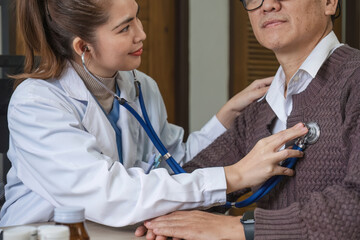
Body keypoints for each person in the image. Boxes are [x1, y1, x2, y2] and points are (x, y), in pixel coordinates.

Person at [0, 0, 308, 227]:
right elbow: (109, 194)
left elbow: (174, 160)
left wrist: (225, 117)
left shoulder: (140, 87)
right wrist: (234, 176)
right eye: (125, 28)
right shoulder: (37, 103)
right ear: (84, 47)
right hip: (46, 232)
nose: (142, 34)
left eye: (137, 19)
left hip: (118, 230)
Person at [141, 0, 360, 239]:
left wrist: (236, 228)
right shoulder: (259, 112)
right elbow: (192, 179)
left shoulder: (354, 80)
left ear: (328, 3)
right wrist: (164, 221)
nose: (267, 6)